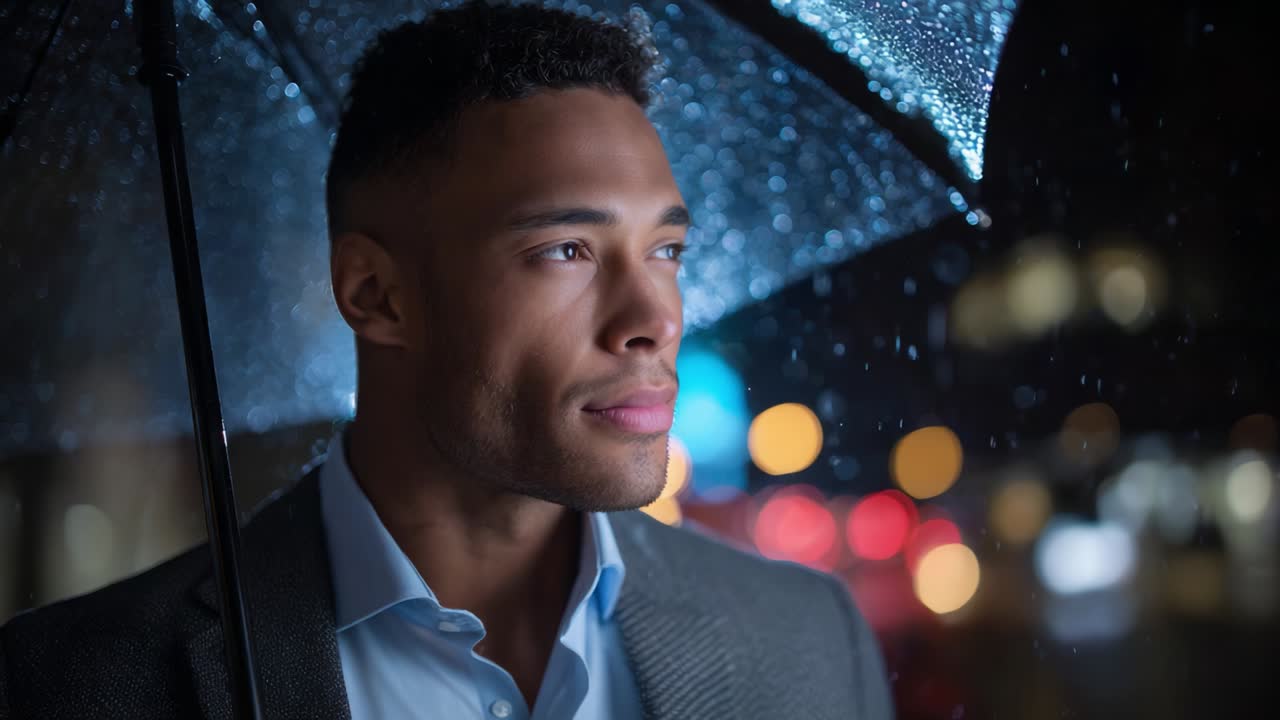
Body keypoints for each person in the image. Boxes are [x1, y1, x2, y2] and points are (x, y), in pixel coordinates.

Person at [0, 2, 892, 718]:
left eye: (666, 250)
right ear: (376, 294)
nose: (654, 319)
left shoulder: (809, 644)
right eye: (567, 251)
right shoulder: (70, 687)